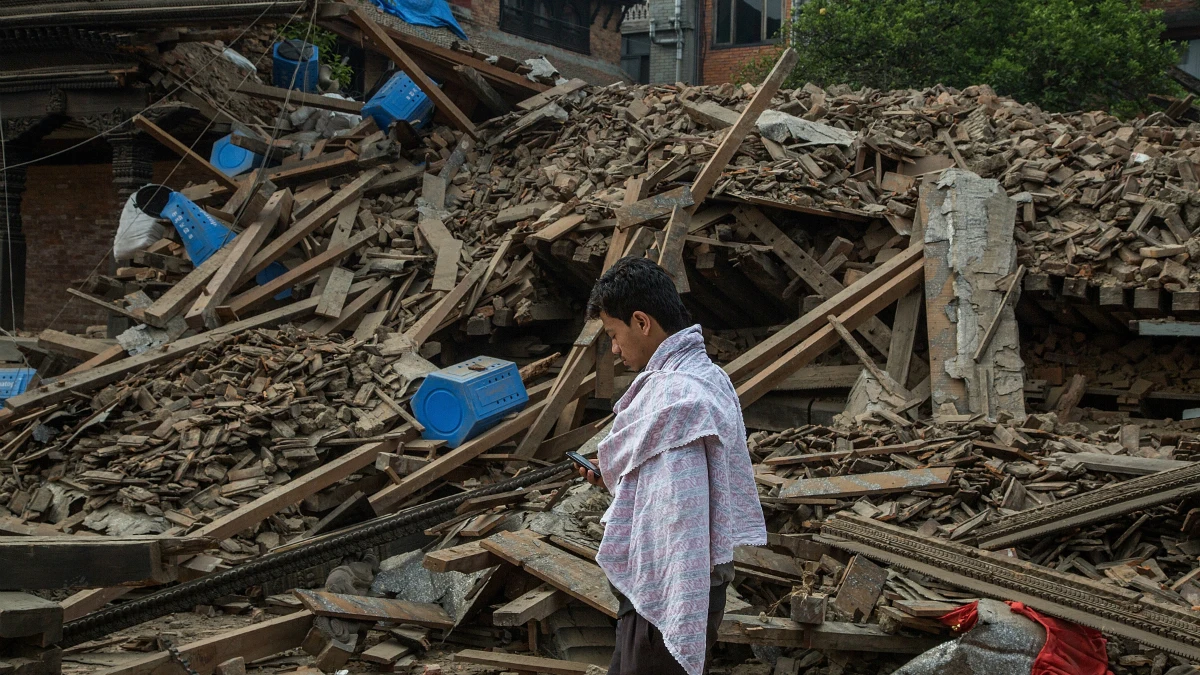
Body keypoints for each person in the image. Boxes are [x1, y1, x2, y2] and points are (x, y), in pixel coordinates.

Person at [577, 257, 767, 675]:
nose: (613, 348)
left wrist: (677, 601)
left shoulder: (674, 395)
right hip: (685, 589)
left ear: (642, 322)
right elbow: (663, 485)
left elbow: (680, 513)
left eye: (613, 334)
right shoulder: (708, 376)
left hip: (668, 591)